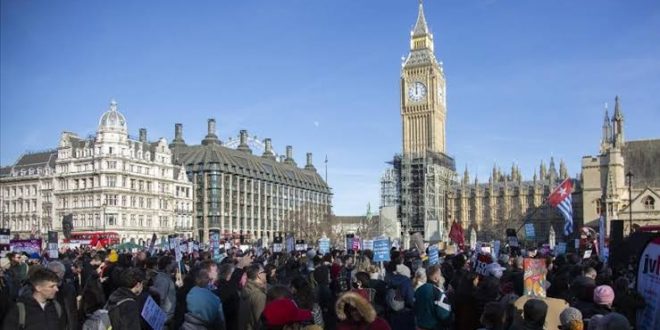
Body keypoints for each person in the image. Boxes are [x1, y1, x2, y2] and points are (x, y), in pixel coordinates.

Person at [414, 265, 452, 330]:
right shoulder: (437, 292)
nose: (441, 277)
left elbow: (415, 308)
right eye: (440, 275)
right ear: (435, 278)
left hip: (419, 326)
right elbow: (444, 314)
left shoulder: (418, 290)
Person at [47, 261, 79, 330]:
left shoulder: (69, 289)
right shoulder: (42, 290)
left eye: (56, 273)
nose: (53, 275)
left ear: (63, 273)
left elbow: (72, 311)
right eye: (51, 272)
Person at [238, 264, 267, 330]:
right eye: (264, 272)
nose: (265, 274)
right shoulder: (259, 295)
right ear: (258, 275)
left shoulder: (246, 288)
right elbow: (260, 322)